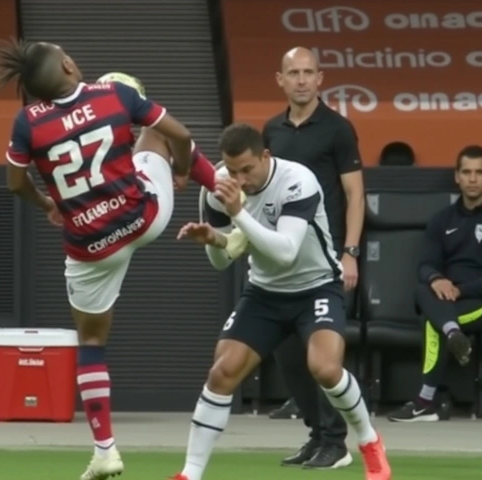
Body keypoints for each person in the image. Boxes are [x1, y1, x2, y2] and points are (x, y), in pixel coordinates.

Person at [0, 38, 220, 480]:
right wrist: (185, 169)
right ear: (70, 66)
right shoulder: (112, 94)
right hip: (144, 218)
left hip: (90, 245)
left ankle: (105, 450)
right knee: (155, 130)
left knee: (92, 342)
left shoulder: (27, 123)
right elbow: (183, 136)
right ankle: (228, 202)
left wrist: (48, 206)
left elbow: (15, 184)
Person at [172, 123, 390, 480]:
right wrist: (212, 240)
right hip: (265, 293)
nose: (240, 180)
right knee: (222, 372)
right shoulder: (217, 190)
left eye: (248, 169)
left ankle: (369, 441)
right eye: (232, 170)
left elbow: (286, 251)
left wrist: (238, 214)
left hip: (317, 286)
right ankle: (190, 473)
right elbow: (224, 261)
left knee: (326, 369)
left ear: (266, 157)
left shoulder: (297, 180)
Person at [262, 46, 365, 468]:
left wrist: (351, 252)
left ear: (321, 78)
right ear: (280, 79)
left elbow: (355, 193)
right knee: (287, 355)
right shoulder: (271, 131)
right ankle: (315, 435)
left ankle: (337, 443)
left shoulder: (338, 129)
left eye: (308, 72)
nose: (302, 80)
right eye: (294, 73)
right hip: (283, 262)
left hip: (328, 261)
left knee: (322, 355)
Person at [388, 145, 482, 422]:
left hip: (476, 300)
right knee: (423, 289)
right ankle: (454, 334)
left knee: (433, 319)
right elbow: (425, 265)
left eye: (479, 172)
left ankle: (425, 401)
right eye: (467, 172)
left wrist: (460, 289)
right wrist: (437, 278)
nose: (473, 179)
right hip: (449, 301)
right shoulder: (443, 219)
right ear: (457, 177)